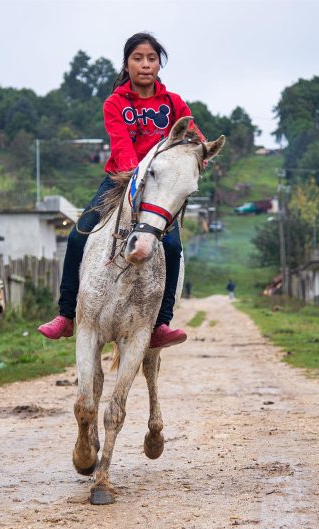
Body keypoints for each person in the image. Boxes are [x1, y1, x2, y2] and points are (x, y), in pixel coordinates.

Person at [38, 32, 203, 349]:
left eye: (151, 59)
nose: (145, 64)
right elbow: (121, 145)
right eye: (138, 58)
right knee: (77, 235)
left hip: (159, 187)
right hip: (119, 179)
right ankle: (66, 316)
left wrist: (198, 156)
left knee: (171, 248)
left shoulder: (173, 103)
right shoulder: (115, 103)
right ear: (127, 64)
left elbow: (194, 138)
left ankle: (160, 324)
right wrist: (134, 175)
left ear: (159, 65)